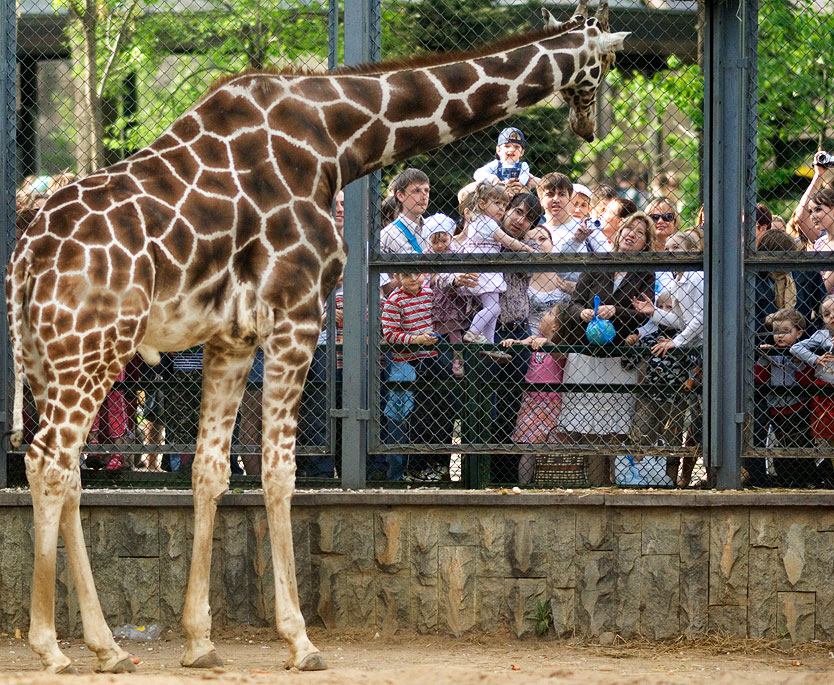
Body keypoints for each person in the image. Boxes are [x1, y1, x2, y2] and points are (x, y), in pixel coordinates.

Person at [558, 213, 657, 485]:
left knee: (614, 426)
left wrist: (618, 311)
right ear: (619, 232)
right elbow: (573, 302)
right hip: (586, 354)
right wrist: (583, 314)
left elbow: (643, 315)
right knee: (588, 426)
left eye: (640, 233)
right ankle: (594, 483)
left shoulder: (645, 272)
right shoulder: (597, 262)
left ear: (646, 243)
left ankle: (613, 482)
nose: (632, 234)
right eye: (629, 228)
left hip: (619, 357)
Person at [632, 230, 704, 486]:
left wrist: (677, 342)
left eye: (677, 246)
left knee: (698, 418)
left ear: (692, 251)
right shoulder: (676, 282)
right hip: (694, 346)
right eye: (668, 246)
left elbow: (701, 318)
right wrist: (654, 313)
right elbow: (682, 320)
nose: (670, 250)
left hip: (703, 349)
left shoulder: (695, 277)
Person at [380, 272, 452, 481]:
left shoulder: (429, 294)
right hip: (406, 361)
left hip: (432, 358)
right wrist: (416, 339)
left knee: (437, 409)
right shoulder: (394, 300)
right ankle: (407, 469)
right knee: (408, 414)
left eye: (417, 275)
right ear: (397, 276)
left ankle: (436, 465)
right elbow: (390, 334)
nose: (413, 280)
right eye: (407, 275)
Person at [459, 182, 535, 356]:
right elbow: (508, 241)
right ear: (483, 203)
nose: (501, 209)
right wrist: (527, 250)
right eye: (497, 204)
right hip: (486, 273)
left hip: (483, 270)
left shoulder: (477, 220)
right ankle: (473, 332)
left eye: (504, 205)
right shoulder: (488, 223)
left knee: (492, 308)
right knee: (494, 308)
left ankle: (490, 345)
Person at [501, 308, 565, 483]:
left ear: (555, 326)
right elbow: (522, 342)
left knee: (550, 448)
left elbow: (559, 354)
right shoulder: (534, 338)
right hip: (531, 400)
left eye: (550, 314)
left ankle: (549, 484)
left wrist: (547, 343)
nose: (544, 315)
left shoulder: (561, 343)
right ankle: (524, 486)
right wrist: (513, 341)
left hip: (552, 402)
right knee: (528, 448)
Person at [754, 307, 815, 487]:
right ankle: (784, 479)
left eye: (786, 331)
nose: (780, 336)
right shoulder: (772, 351)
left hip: (799, 408)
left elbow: (806, 381)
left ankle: (806, 480)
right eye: (776, 331)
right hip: (776, 408)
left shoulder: (803, 352)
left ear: (798, 333)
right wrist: (764, 357)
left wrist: (797, 361)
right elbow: (760, 379)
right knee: (779, 446)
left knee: (802, 445)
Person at [791, 296, 834, 479]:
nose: (831, 316)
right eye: (826, 314)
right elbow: (796, 349)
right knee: (830, 435)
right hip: (826, 388)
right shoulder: (822, 335)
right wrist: (815, 358)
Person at [426, 213, 473, 378]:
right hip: (436, 299)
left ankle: (458, 361)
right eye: (435, 241)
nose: (439, 246)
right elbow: (426, 278)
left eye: (443, 240)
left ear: (450, 236)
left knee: (455, 332)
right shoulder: (427, 254)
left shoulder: (456, 251)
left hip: (453, 298)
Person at [380, 168, 431, 297]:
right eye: (416, 191)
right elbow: (383, 288)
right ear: (400, 195)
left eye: (426, 190)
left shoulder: (434, 229)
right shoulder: (388, 235)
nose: (424, 196)